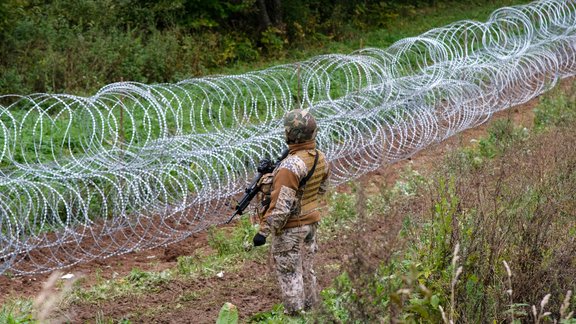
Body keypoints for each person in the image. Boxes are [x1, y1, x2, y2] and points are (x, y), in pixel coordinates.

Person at [252, 109, 330, 315]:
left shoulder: (291, 165)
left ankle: (295, 316)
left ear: (289, 135)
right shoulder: (320, 158)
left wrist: (262, 232)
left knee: (289, 272)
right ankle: (312, 310)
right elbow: (322, 189)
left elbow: (280, 207)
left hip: (291, 228)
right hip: (311, 223)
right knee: (307, 269)